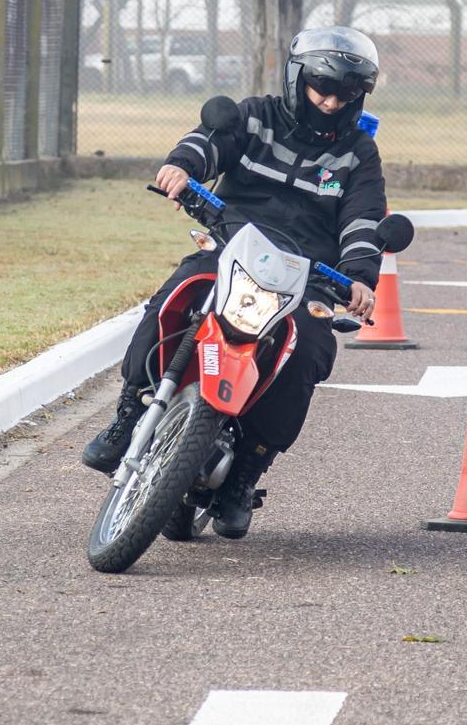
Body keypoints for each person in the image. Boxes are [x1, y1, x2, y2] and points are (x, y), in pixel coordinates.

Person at [81, 27, 389, 538]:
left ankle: (246, 473)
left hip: (307, 278)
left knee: (310, 348)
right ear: (297, 78)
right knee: (175, 296)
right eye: (321, 88)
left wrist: (359, 278)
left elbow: (363, 220)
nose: (331, 102)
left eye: (344, 94)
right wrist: (181, 167)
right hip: (230, 249)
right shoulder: (255, 116)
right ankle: (129, 410)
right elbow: (210, 142)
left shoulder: (358, 154)